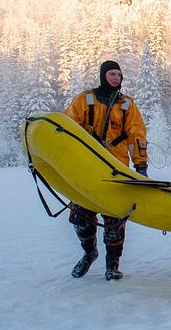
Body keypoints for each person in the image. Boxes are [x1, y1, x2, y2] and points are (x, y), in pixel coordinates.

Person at [63, 60, 149, 280]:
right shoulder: (85, 100)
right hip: (87, 170)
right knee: (81, 218)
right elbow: (66, 128)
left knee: (114, 222)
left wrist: (141, 165)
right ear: (103, 75)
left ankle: (112, 266)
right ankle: (89, 252)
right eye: (112, 74)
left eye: (119, 75)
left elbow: (136, 135)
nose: (116, 78)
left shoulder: (127, 104)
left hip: (116, 172)